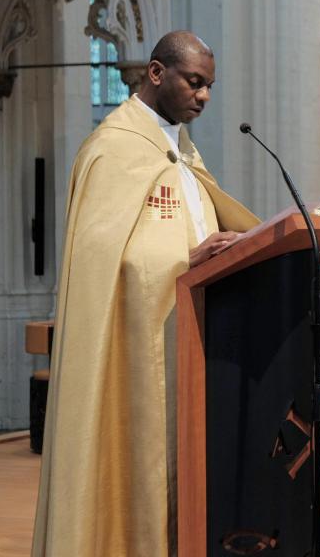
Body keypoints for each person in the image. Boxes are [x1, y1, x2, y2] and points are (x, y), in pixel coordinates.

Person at [32, 31, 259, 557]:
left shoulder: (179, 153)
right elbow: (104, 266)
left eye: (209, 87)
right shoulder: (112, 149)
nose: (203, 97)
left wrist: (238, 247)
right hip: (137, 351)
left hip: (193, 337)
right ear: (156, 74)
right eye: (194, 83)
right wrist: (191, 262)